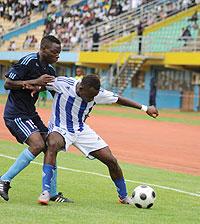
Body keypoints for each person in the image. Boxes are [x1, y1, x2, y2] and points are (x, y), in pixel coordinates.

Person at [37, 74, 159, 205]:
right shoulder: (63, 83)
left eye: (94, 97)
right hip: (60, 127)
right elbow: (42, 84)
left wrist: (145, 108)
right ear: (81, 87)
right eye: (90, 96)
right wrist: (32, 86)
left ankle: (123, 197)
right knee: (53, 145)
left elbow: (119, 99)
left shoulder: (98, 93)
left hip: (81, 130)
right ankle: (46, 192)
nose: (91, 99)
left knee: (111, 160)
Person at [0, 35, 72, 203]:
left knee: (51, 145)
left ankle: (52, 193)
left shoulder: (51, 71)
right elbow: (8, 84)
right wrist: (35, 81)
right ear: (43, 49)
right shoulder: (28, 61)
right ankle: (4, 179)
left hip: (31, 114)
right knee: (38, 144)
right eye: (55, 52)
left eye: (59, 53)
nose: (57, 56)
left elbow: (57, 95)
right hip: (15, 114)